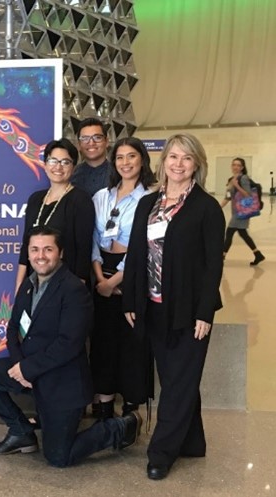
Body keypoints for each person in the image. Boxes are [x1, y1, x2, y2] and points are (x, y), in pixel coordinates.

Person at [0, 226, 141, 467]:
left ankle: (119, 427)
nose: (41, 255)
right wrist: (20, 365)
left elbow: (69, 344)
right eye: (35, 249)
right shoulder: (28, 284)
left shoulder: (74, 290)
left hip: (63, 383)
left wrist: (28, 369)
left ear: (60, 253)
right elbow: (12, 329)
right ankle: (21, 432)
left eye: (48, 249)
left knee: (59, 457)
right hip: (31, 371)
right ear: (28, 254)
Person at [123, 133, 225, 480]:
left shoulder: (206, 207)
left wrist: (204, 312)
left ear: (197, 164)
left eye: (187, 158)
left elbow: (214, 265)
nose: (178, 164)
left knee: (179, 381)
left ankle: (161, 453)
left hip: (188, 310)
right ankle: (193, 442)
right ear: (163, 161)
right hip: (153, 307)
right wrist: (131, 299)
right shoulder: (147, 204)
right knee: (175, 378)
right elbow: (136, 254)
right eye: (173, 157)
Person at [89, 137, 156, 420]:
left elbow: (145, 244)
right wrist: (99, 280)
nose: (125, 162)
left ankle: (131, 407)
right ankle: (103, 402)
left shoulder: (150, 197)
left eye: (131, 156)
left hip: (133, 271)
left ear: (142, 159)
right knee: (103, 339)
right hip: (100, 270)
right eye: (120, 157)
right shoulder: (100, 196)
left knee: (132, 340)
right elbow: (93, 237)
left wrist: (115, 281)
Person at [15, 138, 94, 292]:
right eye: (53, 161)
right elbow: (26, 245)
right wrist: (19, 285)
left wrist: (77, 290)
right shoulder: (35, 199)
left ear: (73, 166)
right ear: (45, 165)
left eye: (65, 162)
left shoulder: (81, 200)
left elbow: (84, 250)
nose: (58, 167)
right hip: (35, 280)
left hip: (66, 283)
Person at [220, 157, 265, 266]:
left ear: (242, 167)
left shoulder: (243, 178)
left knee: (229, 232)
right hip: (236, 212)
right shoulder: (231, 179)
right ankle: (258, 254)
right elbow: (228, 197)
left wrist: (237, 186)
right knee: (243, 233)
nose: (235, 167)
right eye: (234, 165)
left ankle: (222, 256)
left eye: (238, 165)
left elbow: (248, 195)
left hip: (243, 212)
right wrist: (217, 207)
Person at [71, 117, 110, 196]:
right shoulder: (71, 175)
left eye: (97, 138)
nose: (91, 143)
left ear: (106, 142)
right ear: (79, 144)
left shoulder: (119, 173)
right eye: (85, 138)